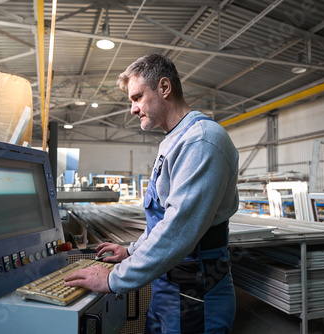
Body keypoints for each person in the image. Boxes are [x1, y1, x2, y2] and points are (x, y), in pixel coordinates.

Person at [64, 53, 239, 333]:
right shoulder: (173, 141)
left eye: (137, 98)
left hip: (196, 291)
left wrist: (112, 279)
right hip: (169, 286)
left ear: (164, 88)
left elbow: (178, 230)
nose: (133, 109)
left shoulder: (202, 141)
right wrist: (130, 251)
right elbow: (162, 219)